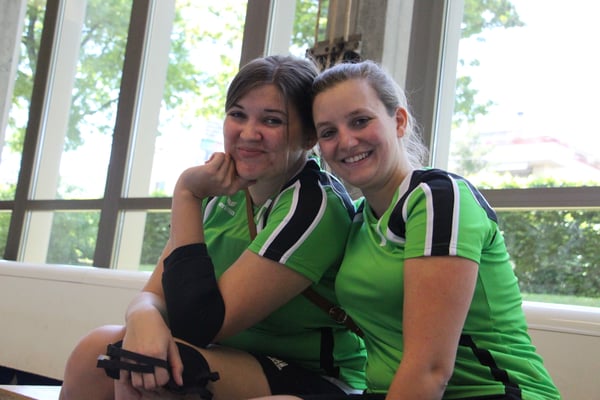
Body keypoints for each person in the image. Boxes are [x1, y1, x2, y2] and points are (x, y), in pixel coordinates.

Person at [59, 55, 366, 400]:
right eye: (238, 114)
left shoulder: (314, 204)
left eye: (272, 120)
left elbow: (200, 324)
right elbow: (154, 294)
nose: (248, 133)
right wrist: (143, 315)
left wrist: (185, 193)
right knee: (94, 352)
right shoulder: (217, 192)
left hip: (313, 375)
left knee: (169, 372)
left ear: (309, 136)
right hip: (233, 357)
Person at [255, 60, 561, 400]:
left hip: (486, 392)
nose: (347, 141)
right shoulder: (357, 219)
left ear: (399, 121)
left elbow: (430, 371)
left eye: (360, 121)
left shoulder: (438, 198)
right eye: (328, 132)